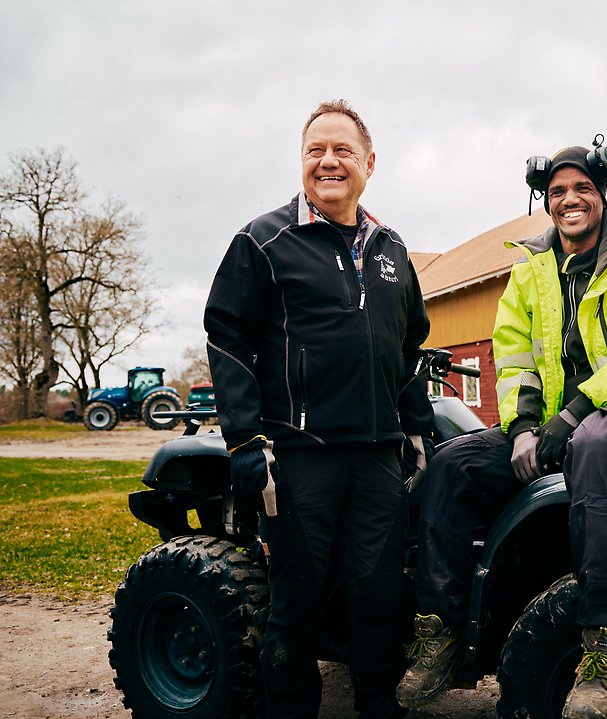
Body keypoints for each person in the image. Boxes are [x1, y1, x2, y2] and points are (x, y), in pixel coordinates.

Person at [396, 139, 607, 718]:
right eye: (558, 191)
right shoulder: (529, 271)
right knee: (450, 465)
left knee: (596, 444)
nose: (570, 200)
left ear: (604, 193)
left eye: (583, 188)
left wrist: (578, 411)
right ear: (545, 200)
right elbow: (512, 357)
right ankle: (438, 630)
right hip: (555, 418)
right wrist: (524, 428)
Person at [204, 99, 432, 719]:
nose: (328, 162)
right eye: (315, 151)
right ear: (302, 162)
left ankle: (378, 705)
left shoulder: (391, 247)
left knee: (380, 597)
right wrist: (246, 445)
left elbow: (410, 343)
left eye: (342, 151)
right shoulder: (263, 241)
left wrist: (417, 429)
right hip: (300, 462)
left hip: (379, 459)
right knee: (296, 606)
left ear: (369, 163)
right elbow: (228, 339)